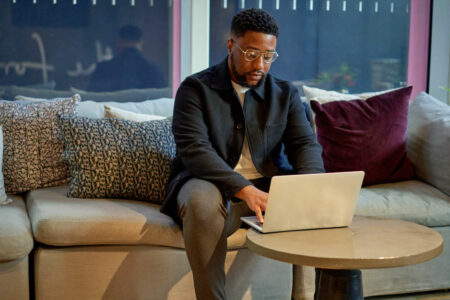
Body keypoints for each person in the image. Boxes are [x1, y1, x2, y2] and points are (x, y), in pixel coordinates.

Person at [160, 8, 324, 300]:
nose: (259, 64)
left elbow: (304, 145)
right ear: (230, 45)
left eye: (268, 55)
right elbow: (195, 150)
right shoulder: (195, 89)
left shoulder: (284, 94)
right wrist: (242, 188)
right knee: (200, 199)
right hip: (211, 185)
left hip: (267, 188)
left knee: (324, 201)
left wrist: (310, 187)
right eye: (250, 53)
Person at [87, 25, 166, 92]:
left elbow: (92, 100)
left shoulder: (103, 69)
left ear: (118, 42)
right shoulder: (154, 70)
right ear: (141, 42)